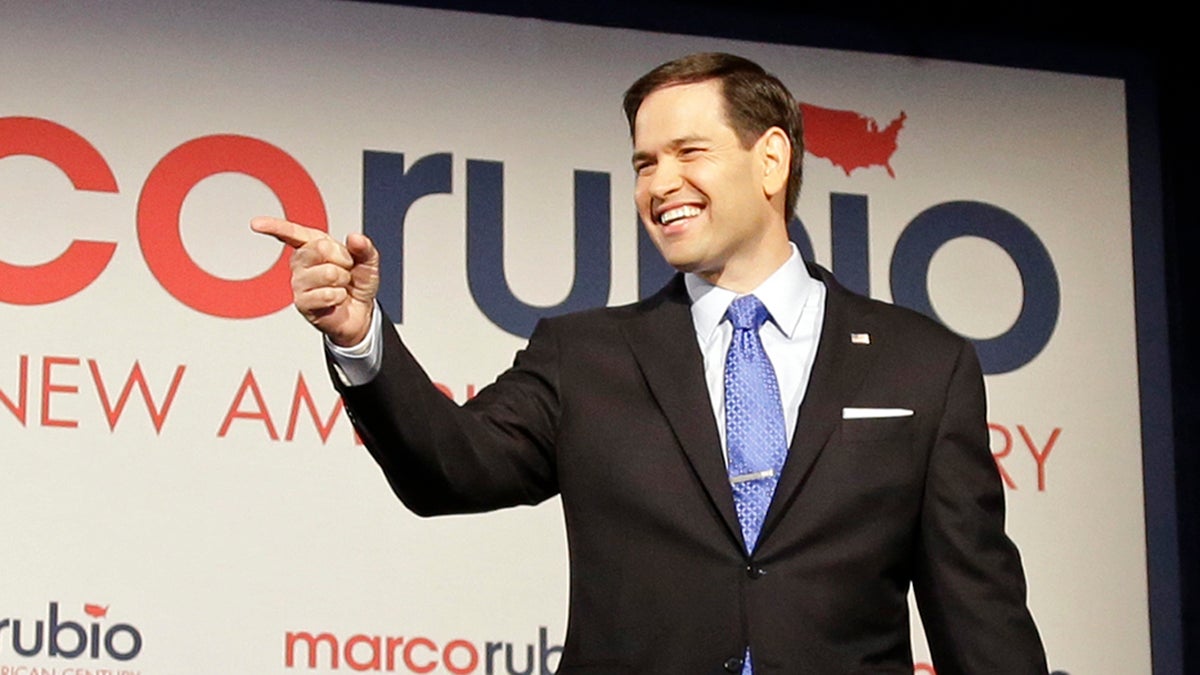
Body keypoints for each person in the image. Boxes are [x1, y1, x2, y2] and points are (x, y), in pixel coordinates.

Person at [253, 52, 1047, 674]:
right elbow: (450, 468)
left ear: (771, 160)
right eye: (643, 163)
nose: (659, 183)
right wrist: (359, 336)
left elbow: (978, 615)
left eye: (687, 152)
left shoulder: (921, 367)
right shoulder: (587, 356)